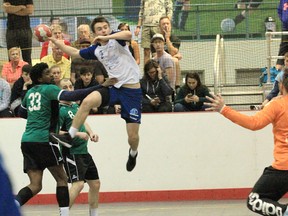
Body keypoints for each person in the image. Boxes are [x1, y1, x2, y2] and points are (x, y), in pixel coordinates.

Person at [15, 62, 116, 215]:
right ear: (40, 78)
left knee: (35, 185)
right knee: (62, 179)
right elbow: (72, 96)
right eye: (47, 73)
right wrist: (101, 87)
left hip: (27, 141)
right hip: (44, 140)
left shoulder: (30, 93)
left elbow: (21, 113)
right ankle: (64, 213)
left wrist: (38, 114)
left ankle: (12, 204)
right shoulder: (49, 89)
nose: (52, 75)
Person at [49, 16, 142, 172]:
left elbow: (128, 35)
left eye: (105, 27)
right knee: (87, 101)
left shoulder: (117, 39)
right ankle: (70, 136)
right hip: (113, 87)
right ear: (94, 33)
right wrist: (57, 42)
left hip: (131, 91)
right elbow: (74, 52)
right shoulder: (96, 50)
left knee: (132, 137)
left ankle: (133, 153)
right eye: (99, 29)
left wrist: (106, 36)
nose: (103, 30)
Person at [204, 67, 288, 216]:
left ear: (281, 85)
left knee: (255, 201)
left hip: (284, 168)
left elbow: (254, 123)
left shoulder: (278, 105)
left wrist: (224, 109)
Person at [58, 78, 101, 216]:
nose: (70, 90)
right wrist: (77, 134)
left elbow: (83, 121)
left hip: (83, 151)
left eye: (71, 86)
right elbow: (55, 132)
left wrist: (91, 132)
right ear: (60, 91)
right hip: (71, 152)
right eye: (65, 87)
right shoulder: (60, 110)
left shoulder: (75, 106)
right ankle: (63, 213)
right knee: (78, 184)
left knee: (95, 184)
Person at [134, 0, 173, 64]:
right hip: (146, 26)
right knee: (146, 51)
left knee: (158, 50)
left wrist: (166, 24)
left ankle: (158, 71)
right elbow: (141, 10)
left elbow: (169, 9)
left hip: (158, 26)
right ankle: (146, 71)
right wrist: (138, 26)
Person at [3, 0, 34, 65]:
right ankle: (12, 74)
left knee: (27, 57)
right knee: (12, 57)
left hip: (25, 30)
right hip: (11, 30)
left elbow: (29, 10)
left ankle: (28, 74)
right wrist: (20, 7)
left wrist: (13, 9)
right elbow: (7, 9)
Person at [158, 16, 182, 89]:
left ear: (170, 25)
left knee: (175, 61)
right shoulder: (156, 38)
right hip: (159, 61)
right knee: (174, 59)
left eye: (167, 24)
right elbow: (155, 54)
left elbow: (173, 53)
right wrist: (172, 56)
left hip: (171, 62)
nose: (166, 25)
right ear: (160, 26)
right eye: (163, 24)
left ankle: (177, 87)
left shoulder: (175, 38)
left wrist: (167, 39)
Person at [275, 0, 288, 70]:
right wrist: (283, 20)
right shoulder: (283, 0)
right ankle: (277, 72)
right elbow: (279, 11)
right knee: (283, 48)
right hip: (285, 28)